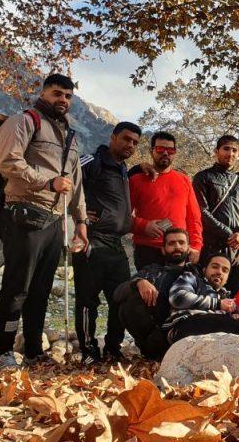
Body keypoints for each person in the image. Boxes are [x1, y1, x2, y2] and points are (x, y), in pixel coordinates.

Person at [0, 74, 90, 369]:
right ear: (44, 93)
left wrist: (81, 221)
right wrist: (47, 182)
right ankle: (4, 352)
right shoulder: (24, 121)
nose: (63, 100)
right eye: (57, 93)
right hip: (25, 212)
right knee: (17, 286)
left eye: (68, 96)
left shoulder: (70, 135)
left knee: (41, 289)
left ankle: (34, 351)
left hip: (56, 221)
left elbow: (75, 182)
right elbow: (6, 160)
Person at [74, 121, 141, 364]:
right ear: (113, 137)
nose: (130, 145)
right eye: (126, 139)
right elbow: (68, 183)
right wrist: (80, 217)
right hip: (92, 239)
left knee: (121, 298)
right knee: (87, 300)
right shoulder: (92, 161)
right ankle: (88, 350)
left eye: (135, 142)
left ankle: (113, 348)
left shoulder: (123, 169)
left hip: (116, 243)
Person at [114, 227, 192, 361]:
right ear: (163, 249)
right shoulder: (152, 271)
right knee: (129, 301)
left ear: (188, 248)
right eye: (172, 243)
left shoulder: (198, 272)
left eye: (181, 243)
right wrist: (139, 282)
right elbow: (118, 294)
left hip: (187, 331)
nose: (177, 247)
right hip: (158, 334)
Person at [130, 131, 204, 269]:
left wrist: (196, 245)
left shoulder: (184, 180)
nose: (165, 153)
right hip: (147, 250)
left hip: (179, 249)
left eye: (170, 150)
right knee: (147, 284)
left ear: (175, 153)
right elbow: (122, 215)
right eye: (160, 149)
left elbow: (194, 217)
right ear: (151, 151)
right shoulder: (136, 180)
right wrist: (143, 225)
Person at [193, 135, 239, 293]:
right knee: (209, 291)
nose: (230, 153)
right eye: (226, 149)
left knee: (236, 292)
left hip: (237, 248)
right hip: (212, 245)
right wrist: (229, 234)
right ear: (216, 151)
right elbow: (201, 211)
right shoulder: (203, 177)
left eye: (235, 150)